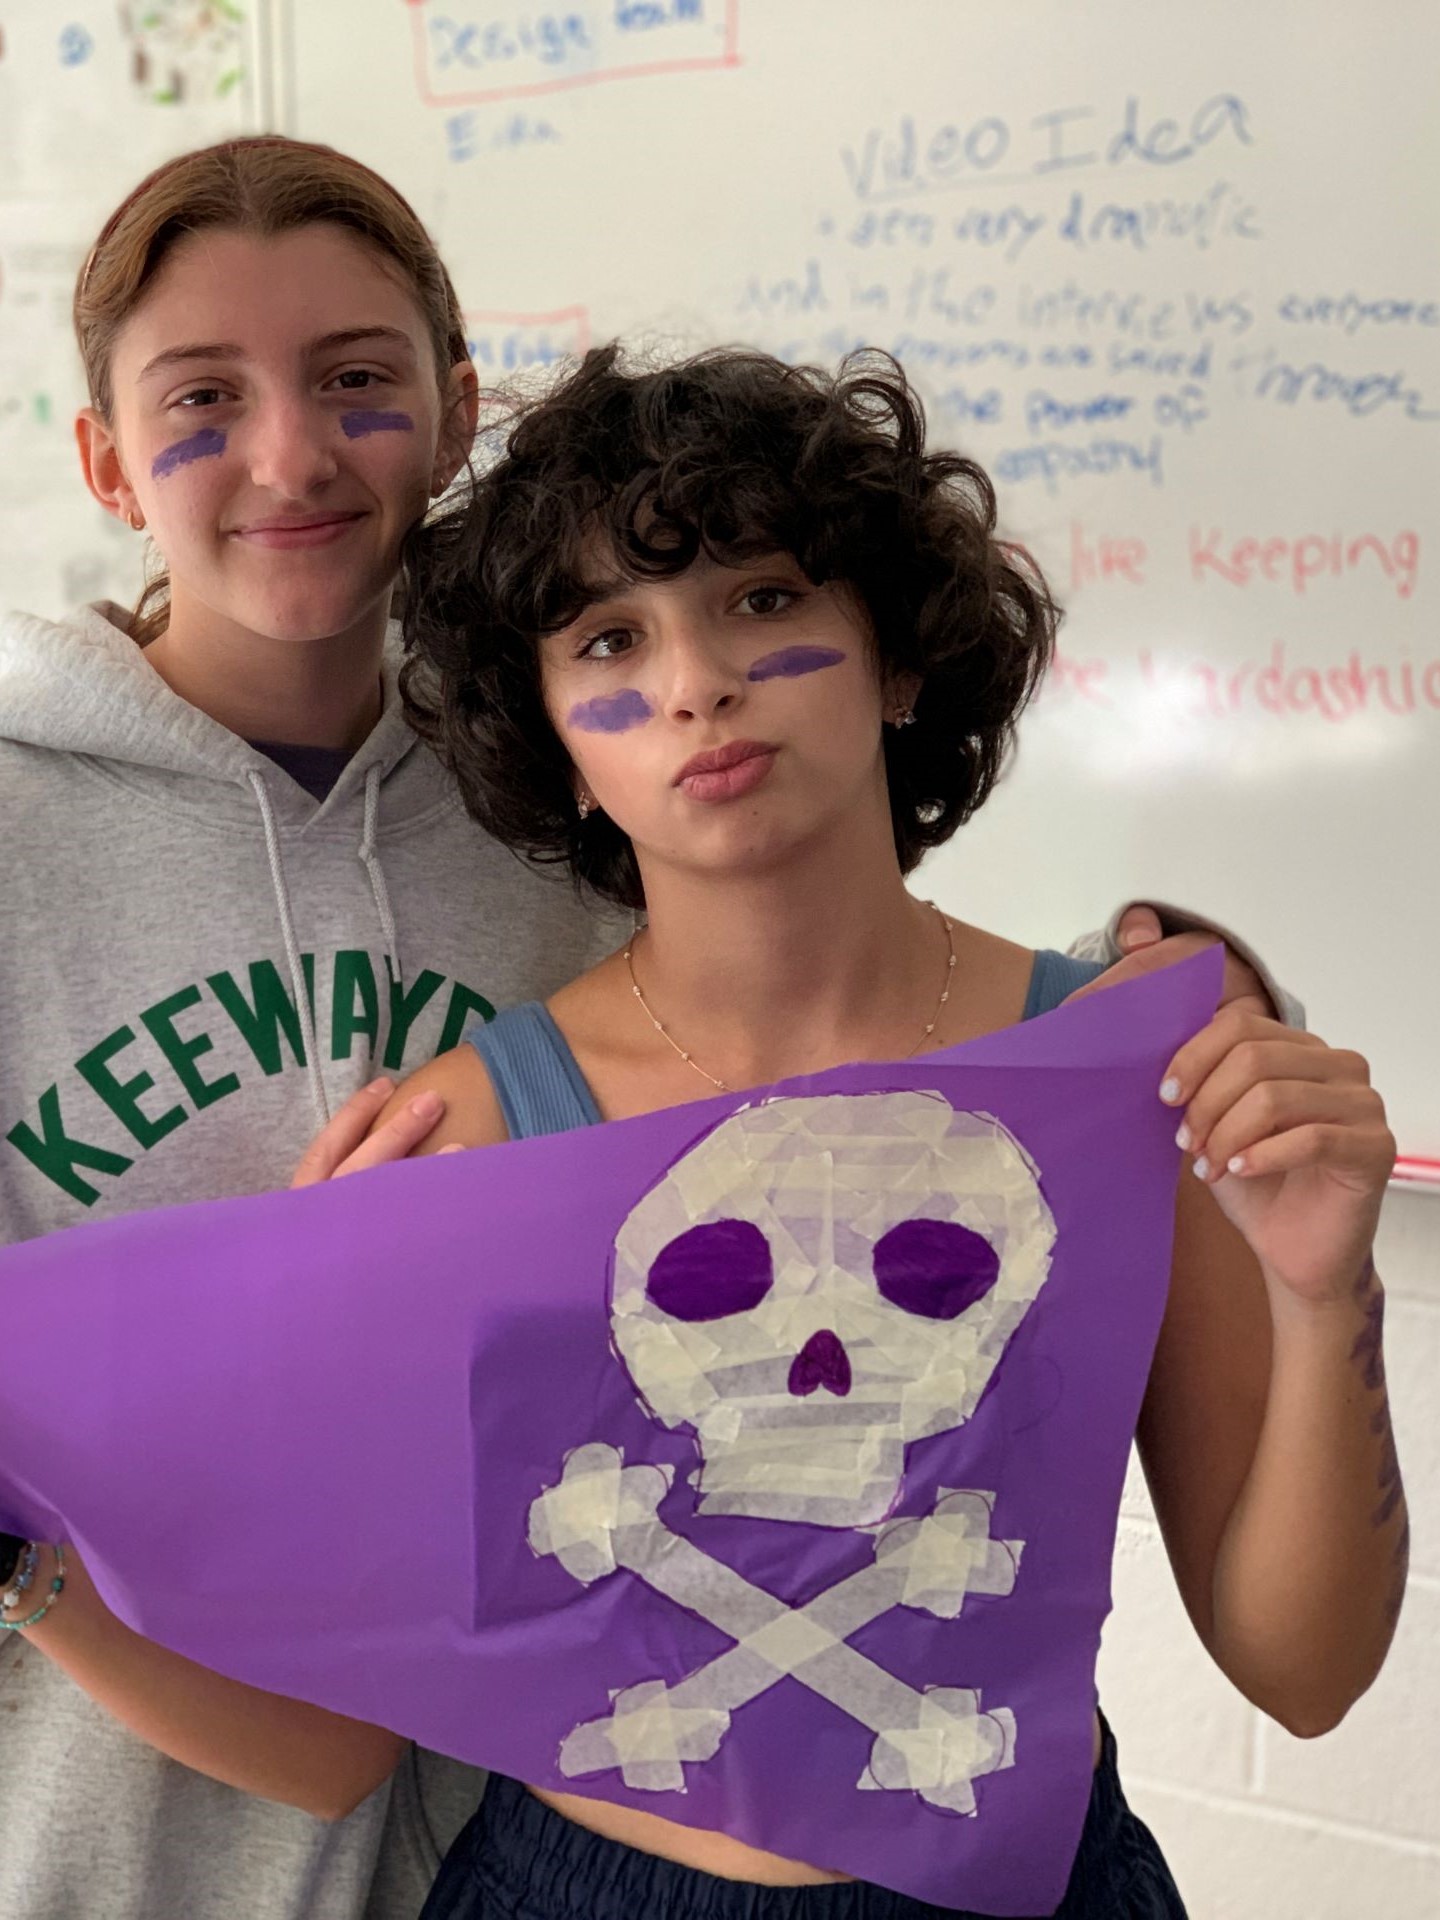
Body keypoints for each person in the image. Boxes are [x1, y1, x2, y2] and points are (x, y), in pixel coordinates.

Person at [0, 136, 1281, 1920]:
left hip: (552, 1805)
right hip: (122, 1828)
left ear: (456, 418)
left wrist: (1146, 1010)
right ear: (103, 458)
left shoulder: (595, 782)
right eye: (203, 396)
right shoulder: (23, 829)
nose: (290, 453)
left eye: (356, 380)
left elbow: (828, 1021)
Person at [299, 344, 1402, 1919]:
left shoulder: (1118, 1074)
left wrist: (1325, 1292)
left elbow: (1304, 1678)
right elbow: (365, 1663)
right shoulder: (469, 1133)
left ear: (898, 657)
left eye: (762, 599)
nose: (695, 684)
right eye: (612, 638)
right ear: (559, 745)